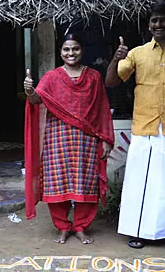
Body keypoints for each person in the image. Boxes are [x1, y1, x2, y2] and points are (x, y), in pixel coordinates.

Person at [106, 2, 165, 251]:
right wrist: (115, 59)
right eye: (153, 21)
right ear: (148, 25)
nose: (158, 24)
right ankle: (136, 231)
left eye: (162, 20)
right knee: (140, 181)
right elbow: (112, 81)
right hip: (144, 126)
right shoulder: (137, 53)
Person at [24, 33, 114, 245]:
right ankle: (63, 227)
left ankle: (81, 226)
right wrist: (29, 91)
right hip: (57, 139)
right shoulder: (51, 77)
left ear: (82, 50)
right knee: (57, 183)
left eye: (75, 49)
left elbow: (102, 108)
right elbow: (37, 100)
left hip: (87, 139)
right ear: (60, 52)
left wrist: (107, 139)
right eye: (66, 49)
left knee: (86, 184)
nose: (70, 53)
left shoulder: (93, 77)